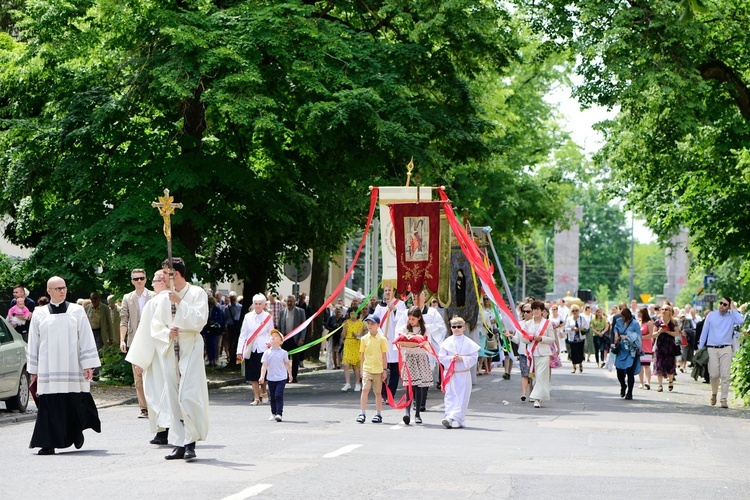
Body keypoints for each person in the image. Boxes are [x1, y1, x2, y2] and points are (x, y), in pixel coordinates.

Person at [28, 276, 101, 455]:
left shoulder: (77, 311)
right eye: (58, 288)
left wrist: (88, 364)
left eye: (64, 287)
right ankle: (48, 443)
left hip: (72, 365)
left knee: (73, 402)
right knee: (49, 405)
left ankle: (75, 434)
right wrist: (33, 370)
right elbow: (33, 342)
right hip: (49, 368)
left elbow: (85, 337)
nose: (62, 290)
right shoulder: (39, 313)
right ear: (49, 291)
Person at [153, 258, 209, 461]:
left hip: (190, 345)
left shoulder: (196, 293)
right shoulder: (162, 298)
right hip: (170, 348)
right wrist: (168, 332)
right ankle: (178, 443)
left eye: (165, 273)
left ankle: (191, 441)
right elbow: (155, 326)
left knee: (188, 394)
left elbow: (200, 319)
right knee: (174, 397)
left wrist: (180, 303)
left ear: (175, 274)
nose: (162, 277)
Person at [125, 269, 173, 445]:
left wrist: (141, 360)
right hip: (177, 355)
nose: (151, 284)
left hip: (157, 356)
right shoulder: (180, 300)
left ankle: (163, 432)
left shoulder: (154, 303)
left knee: (157, 392)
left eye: (153, 280)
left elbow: (146, 334)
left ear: (162, 281)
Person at [119, 268, 155, 419]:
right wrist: (122, 340)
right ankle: (144, 407)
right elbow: (123, 319)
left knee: (153, 374)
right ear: (132, 281)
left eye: (141, 278)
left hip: (152, 339)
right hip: (134, 340)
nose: (139, 281)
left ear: (146, 279)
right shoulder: (128, 297)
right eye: (136, 279)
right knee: (138, 378)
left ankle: (154, 405)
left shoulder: (154, 296)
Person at [698, 297, 744, 408]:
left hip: (726, 348)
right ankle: (714, 393)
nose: (721, 305)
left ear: (728, 306)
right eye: (721, 303)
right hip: (712, 348)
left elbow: (741, 321)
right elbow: (705, 331)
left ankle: (724, 399)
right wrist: (700, 347)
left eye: (725, 304)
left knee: (725, 375)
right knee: (714, 374)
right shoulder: (711, 316)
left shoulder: (732, 316)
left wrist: (733, 309)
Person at [439, 316, 480, 428]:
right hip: (450, 373)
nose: (456, 329)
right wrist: (451, 359)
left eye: (459, 326)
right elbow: (441, 357)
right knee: (450, 395)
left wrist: (462, 359)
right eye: (454, 327)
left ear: (463, 328)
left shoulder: (469, 343)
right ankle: (449, 417)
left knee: (462, 396)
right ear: (451, 328)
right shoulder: (447, 342)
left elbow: (474, 357)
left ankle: (457, 417)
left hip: (463, 373)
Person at [395, 306, 433, 425]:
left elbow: (428, 343)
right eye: (409, 319)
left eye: (413, 319)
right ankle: (407, 413)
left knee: (419, 386)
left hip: (421, 357)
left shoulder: (425, 329)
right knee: (409, 386)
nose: (411, 321)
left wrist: (420, 343)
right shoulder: (405, 328)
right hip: (410, 358)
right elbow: (401, 343)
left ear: (419, 318)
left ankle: (417, 414)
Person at [236, 294, 273, 405]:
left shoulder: (268, 317)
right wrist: (239, 351)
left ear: (264, 305)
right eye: (255, 304)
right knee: (252, 374)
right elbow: (243, 334)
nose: (257, 306)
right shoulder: (247, 317)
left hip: (264, 348)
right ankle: (256, 398)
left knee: (263, 373)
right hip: (251, 348)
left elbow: (272, 332)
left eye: (259, 304)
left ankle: (264, 391)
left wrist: (271, 343)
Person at [373, 284, 407, 401]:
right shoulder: (379, 306)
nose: (387, 292)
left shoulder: (400, 304)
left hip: (394, 341)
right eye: (386, 290)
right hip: (384, 339)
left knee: (394, 369)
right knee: (382, 369)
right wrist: (380, 334)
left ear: (394, 292)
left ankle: (390, 394)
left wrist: (394, 310)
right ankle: (383, 393)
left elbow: (404, 320)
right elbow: (375, 322)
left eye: (389, 290)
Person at [522, 301, 555, 408]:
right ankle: (537, 395)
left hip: (544, 353)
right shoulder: (527, 323)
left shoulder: (547, 323)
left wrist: (541, 338)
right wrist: (530, 338)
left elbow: (552, 339)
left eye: (538, 309)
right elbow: (524, 339)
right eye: (534, 309)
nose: (536, 311)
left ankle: (537, 399)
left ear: (542, 311)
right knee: (535, 377)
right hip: (532, 353)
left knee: (541, 375)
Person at [357, 314, 389, 424]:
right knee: (365, 390)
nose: (370, 326)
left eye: (372, 324)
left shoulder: (382, 339)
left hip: (378, 369)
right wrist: (361, 369)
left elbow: (384, 355)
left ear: (378, 325)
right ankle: (362, 412)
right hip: (367, 368)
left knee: (378, 392)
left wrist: (385, 369)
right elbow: (362, 355)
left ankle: (378, 413)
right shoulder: (364, 339)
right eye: (368, 323)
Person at [259, 329, 294, 422]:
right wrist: (262, 376)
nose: (273, 337)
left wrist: (290, 374)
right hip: (271, 378)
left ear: (281, 341)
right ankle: (273, 413)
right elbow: (264, 365)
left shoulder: (283, 353)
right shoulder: (266, 353)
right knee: (272, 396)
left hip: (281, 378)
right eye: (272, 336)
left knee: (278, 395)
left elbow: (287, 364)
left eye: (276, 336)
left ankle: (279, 413)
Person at [613, 308, 642, 400]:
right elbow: (615, 329)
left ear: (627, 316)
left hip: (631, 350)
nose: (621, 318)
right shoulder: (618, 321)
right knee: (619, 370)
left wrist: (627, 337)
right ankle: (623, 385)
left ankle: (630, 392)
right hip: (621, 348)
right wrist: (616, 334)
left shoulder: (635, 324)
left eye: (623, 316)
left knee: (630, 372)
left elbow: (638, 336)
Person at [277, 295, 307, 382]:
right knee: (284, 359)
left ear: (294, 302)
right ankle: (285, 376)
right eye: (288, 301)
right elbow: (279, 326)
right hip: (285, 338)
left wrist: (302, 338)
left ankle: (293, 377)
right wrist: (279, 338)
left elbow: (304, 326)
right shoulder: (282, 312)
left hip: (296, 338)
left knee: (295, 359)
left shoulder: (300, 311)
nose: (289, 303)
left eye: (291, 301)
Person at [653, 300, 680, 392]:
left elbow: (676, 333)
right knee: (659, 364)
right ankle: (660, 385)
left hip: (670, 346)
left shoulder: (673, 322)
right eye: (663, 309)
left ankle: (671, 381)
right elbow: (653, 334)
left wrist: (668, 331)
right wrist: (659, 331)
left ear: (670, 311)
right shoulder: (657, 321)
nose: (664, 311)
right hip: (660, 346)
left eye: (666, 309)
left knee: (670, 364)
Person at [341, 307, 364, 392]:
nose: (353, 315)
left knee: (355, 365)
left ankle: (357, 383)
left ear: (358, 314)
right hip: (348, 343)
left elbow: (359, 336)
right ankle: (347, 383)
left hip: (356, 344)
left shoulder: (361, 324)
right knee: (346, 364)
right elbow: (343, 336)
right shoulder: (346, 322)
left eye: (354, 313)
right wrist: (344, 328)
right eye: (351, 313)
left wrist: (355, 335)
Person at [565, 305, 588, 373]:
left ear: (579, 311)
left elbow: (586, 326)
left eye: (576, 310)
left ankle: (580, 364)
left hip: (580, 337)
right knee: (573, 353)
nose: (575, 312)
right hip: (572, 338)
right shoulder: (569, 319)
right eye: (573, 311)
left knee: (580, 352)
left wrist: (581, 328)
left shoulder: (582, 318)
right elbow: (566, 328)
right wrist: (572, 329)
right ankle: (574, 367)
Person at [637, 307, 656, 390]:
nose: (638, 314)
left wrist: (642, 337)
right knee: (640, 365)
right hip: (639, 346)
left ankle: (648, 382)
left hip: (647, 346)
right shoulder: (639, 322)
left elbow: (651, 334)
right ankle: (641, 382)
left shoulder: (649, 323)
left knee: (646, 365)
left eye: (639, 312)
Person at [223, 292, 243, 368]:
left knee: (238, 342)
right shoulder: (227, 308)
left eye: (234, 299)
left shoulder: (240, 307)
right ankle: (231, 358)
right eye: (231, 299)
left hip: (237, 326)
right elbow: (225, 318)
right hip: (230, 326)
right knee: (230, 343)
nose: (232, 301)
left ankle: (238, 360)